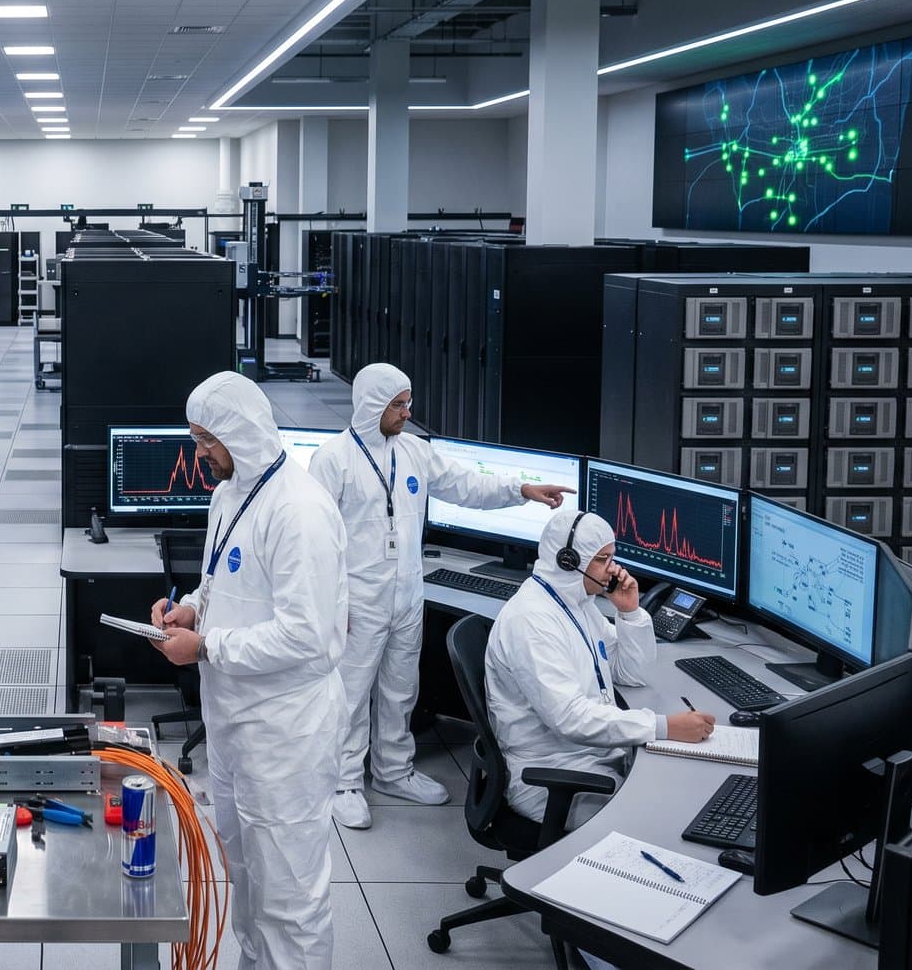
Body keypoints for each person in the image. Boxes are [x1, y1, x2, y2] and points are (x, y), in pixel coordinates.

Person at [308, 363, 574, 829]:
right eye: (398, 404)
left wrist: (521, 490)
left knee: (400, 689)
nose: (408, 413)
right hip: (357, 601)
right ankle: (344, 782)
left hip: (408, 596)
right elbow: (317, 540)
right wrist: (332, 603)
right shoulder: (332, 460)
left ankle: (393, 770)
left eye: (408, 402)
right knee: (349, 695)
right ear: (372, 405)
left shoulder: (414, 451)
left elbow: (465, 484)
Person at [146, 371, 348, 970]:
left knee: (291, 896)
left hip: (286, 733)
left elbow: (308, 637)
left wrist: (205, 646)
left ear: (242, 431)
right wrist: (189, 608)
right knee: (246, 875)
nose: (198, 452)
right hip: (233, 724)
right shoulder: (229, 493)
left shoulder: (300, 512)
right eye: (195, 437)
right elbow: (219, 584)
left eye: (206, 438)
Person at [485, 509, 716, 825]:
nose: (614, 570)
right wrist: (664, 727)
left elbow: (630, 674)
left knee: (682, 790)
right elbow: (570, 718)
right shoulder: (532, 623)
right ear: (568, 561)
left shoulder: (576, 604)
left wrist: (630, 614)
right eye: (603, 559)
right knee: (663, 818)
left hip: (590, 756)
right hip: (550, 776)